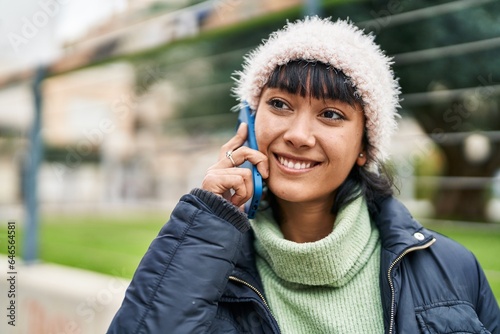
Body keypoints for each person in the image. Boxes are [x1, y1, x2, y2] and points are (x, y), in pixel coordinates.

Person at [107, 17, 500, 333]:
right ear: (248, 119)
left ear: (365, 146)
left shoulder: (453, 268)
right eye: (279, 104)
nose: (297, 135)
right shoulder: (204, 262)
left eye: (331, 114)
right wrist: (208, 224)